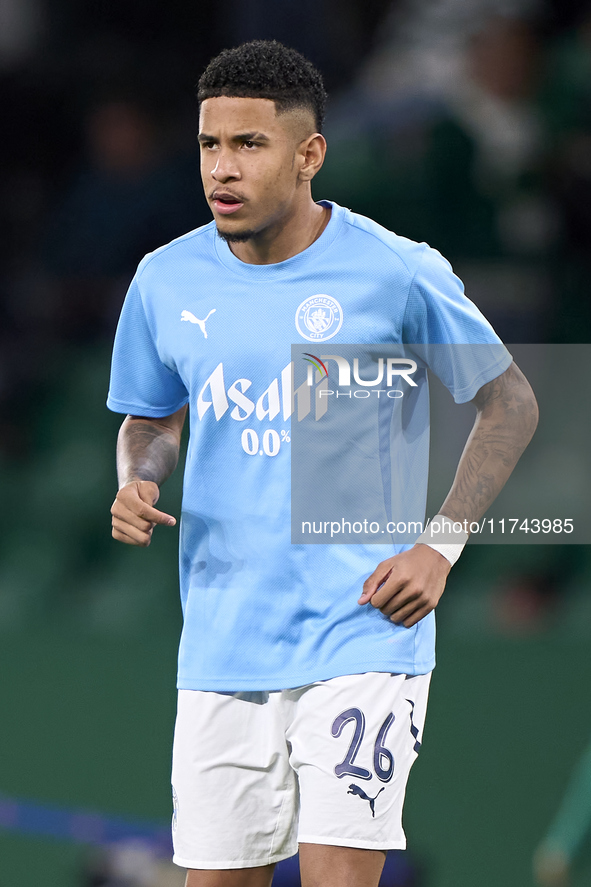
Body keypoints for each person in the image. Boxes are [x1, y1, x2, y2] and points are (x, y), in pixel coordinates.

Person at [107, 40, 538, 887]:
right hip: (224, 643)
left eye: (249, 145)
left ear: (308, 155)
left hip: (362, 630)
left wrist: (438, 547)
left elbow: (510, 403)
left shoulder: (394, 269)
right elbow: (150, 417)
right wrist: (138, 474)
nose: (221, 169)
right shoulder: (165, 280)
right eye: (209, 145)